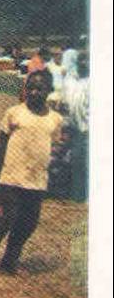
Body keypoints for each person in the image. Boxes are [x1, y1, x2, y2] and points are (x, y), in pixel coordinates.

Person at [0, 71, 63, 275]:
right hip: (11, 179)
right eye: (29, 87)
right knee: (0, 221)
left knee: (27, 224)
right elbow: (1, 145)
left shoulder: (55, 119)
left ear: (49, 91)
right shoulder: (14, 112)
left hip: (36, 182)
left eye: (39, 88)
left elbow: (55, 148)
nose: (33, 92)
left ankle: (9, 262)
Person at [61, 52, 89, 202]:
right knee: (73, 158)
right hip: (73, 125)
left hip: (88, 128)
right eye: (81, 60)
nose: (84, 62)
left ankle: (82, 194)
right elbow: (65, 101)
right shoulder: (70, 79)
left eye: (87, 60)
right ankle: (74, 192)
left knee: (84, 159)